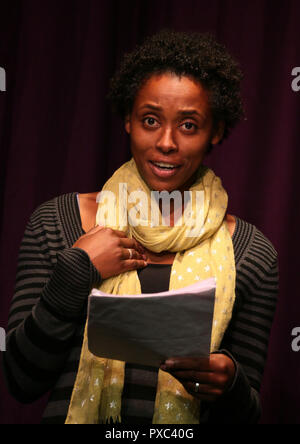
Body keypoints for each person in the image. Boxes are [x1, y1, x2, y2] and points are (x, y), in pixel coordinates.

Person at [3, 30, 278, 424]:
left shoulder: (250, 252)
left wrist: (230, 384)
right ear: (128, 120)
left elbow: (248, 411)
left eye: (188, 125)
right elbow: (20, 380)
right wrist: (77, 269)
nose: (166, 142)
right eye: (150, 120)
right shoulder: (58, 223)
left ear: (216, 131)